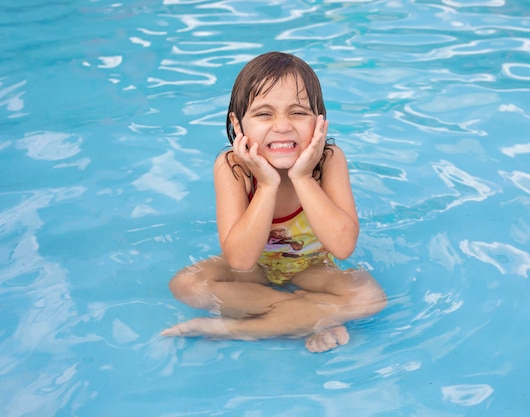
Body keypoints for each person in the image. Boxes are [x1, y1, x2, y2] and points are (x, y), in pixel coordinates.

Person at [161, 51, 386, 353]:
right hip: (254, 271)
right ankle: (310, 314)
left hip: (313, 267)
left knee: (369, 297)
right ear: (238, 124)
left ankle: (238, 329)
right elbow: (240, 262)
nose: (282, 126)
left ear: (320, 123)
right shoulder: (232, 167)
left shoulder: (329, 161)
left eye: (298, 112)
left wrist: (304, 177)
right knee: (185, 285)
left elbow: (343, 247)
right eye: (264, 114)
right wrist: (267, 184)